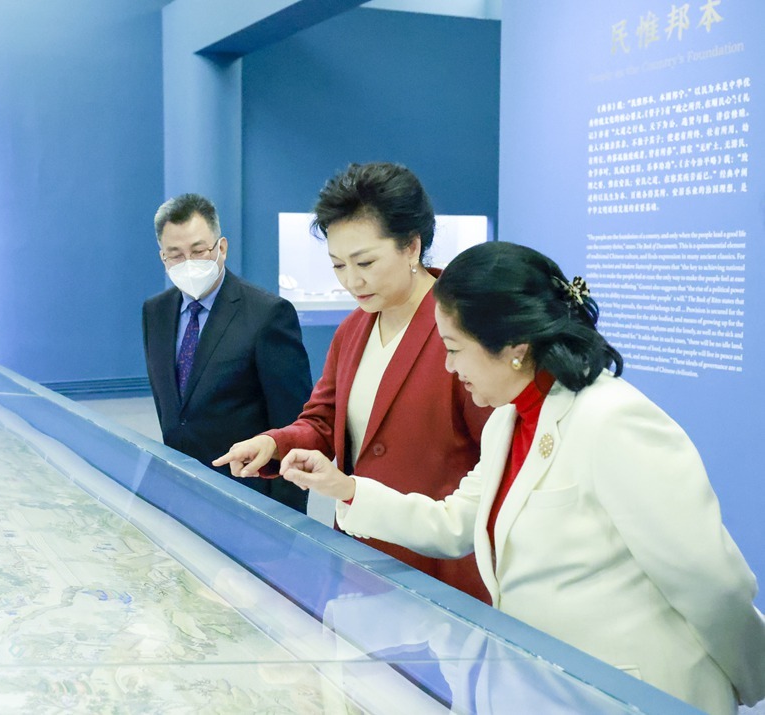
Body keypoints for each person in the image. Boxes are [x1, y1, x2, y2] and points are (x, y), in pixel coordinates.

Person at [275, 240, 765, 715]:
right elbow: (455, 523)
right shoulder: (509, 421)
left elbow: (710, 582)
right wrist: (345, 489)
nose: (449, 366)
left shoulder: (612, 421)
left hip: (634, 692)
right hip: (551, 688)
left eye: (455, 349)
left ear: (515, 348)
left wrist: (753, 681)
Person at [214, 163, 492, 600]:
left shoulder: (463, 330)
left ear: (411, 247)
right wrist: (275, 443)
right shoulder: (353, 330)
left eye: (365, 262)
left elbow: (497, 456)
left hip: (440, 565)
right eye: (338, 265)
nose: (351, 281)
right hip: (359, 552)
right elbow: (323, 420)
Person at [142, 193, 312, 512]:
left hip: (248, 495)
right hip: (180, 490)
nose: (188, 262)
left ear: (221, 248)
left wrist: (287, 519)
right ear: (163, 257)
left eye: (198, 251)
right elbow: (172, 410)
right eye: (175, 254)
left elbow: (293, 425)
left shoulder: (267, 314)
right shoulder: (155, 312)